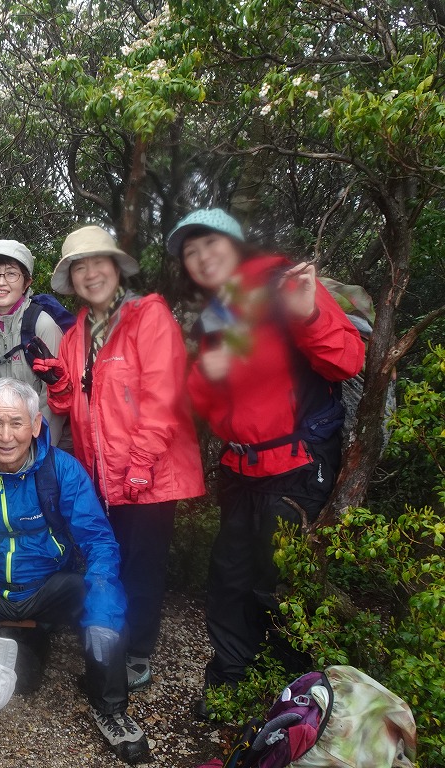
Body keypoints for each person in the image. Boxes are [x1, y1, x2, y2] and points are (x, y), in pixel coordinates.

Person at [165, 208, 364, 713]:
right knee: (229, 579)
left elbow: (346, 361)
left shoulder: (284, 286)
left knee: (281, 586)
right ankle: (232, 684)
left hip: (296, 469)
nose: (201, 258)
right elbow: (207, 406)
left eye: (210, 244)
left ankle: (295, 699)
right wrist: (206, 375)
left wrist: (308, 315)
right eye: (191, 252)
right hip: (239, 471)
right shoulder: (217, 315)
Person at [0, 378, 150, 765]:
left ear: (36, 424)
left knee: (105, 604)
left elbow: (98, 542)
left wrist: (102, 613)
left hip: (47, 585)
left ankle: (109, 708)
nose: (6, 436)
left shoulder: (62, 470)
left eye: (16, 422)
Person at [33, 225, 206, 692]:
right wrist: (58, 384)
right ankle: (112, 638)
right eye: (80, 268)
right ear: (72, 280)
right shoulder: (75, 335)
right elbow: (72, 406)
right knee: (111, 559)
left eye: (99, 263)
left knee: (141, 565)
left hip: (152, 473)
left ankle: (136, 654)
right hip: (105, 477)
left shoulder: (148, 317)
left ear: (116, 268)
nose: (91, 274)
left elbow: (163, 397)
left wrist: (142, 462)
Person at [0, 239, 67, 446]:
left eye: (11, 274)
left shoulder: (42, 325)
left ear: (27, 282)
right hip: (2, 441)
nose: (1, 282)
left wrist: (40, 448)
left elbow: (53, 397)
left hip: (39, 440)